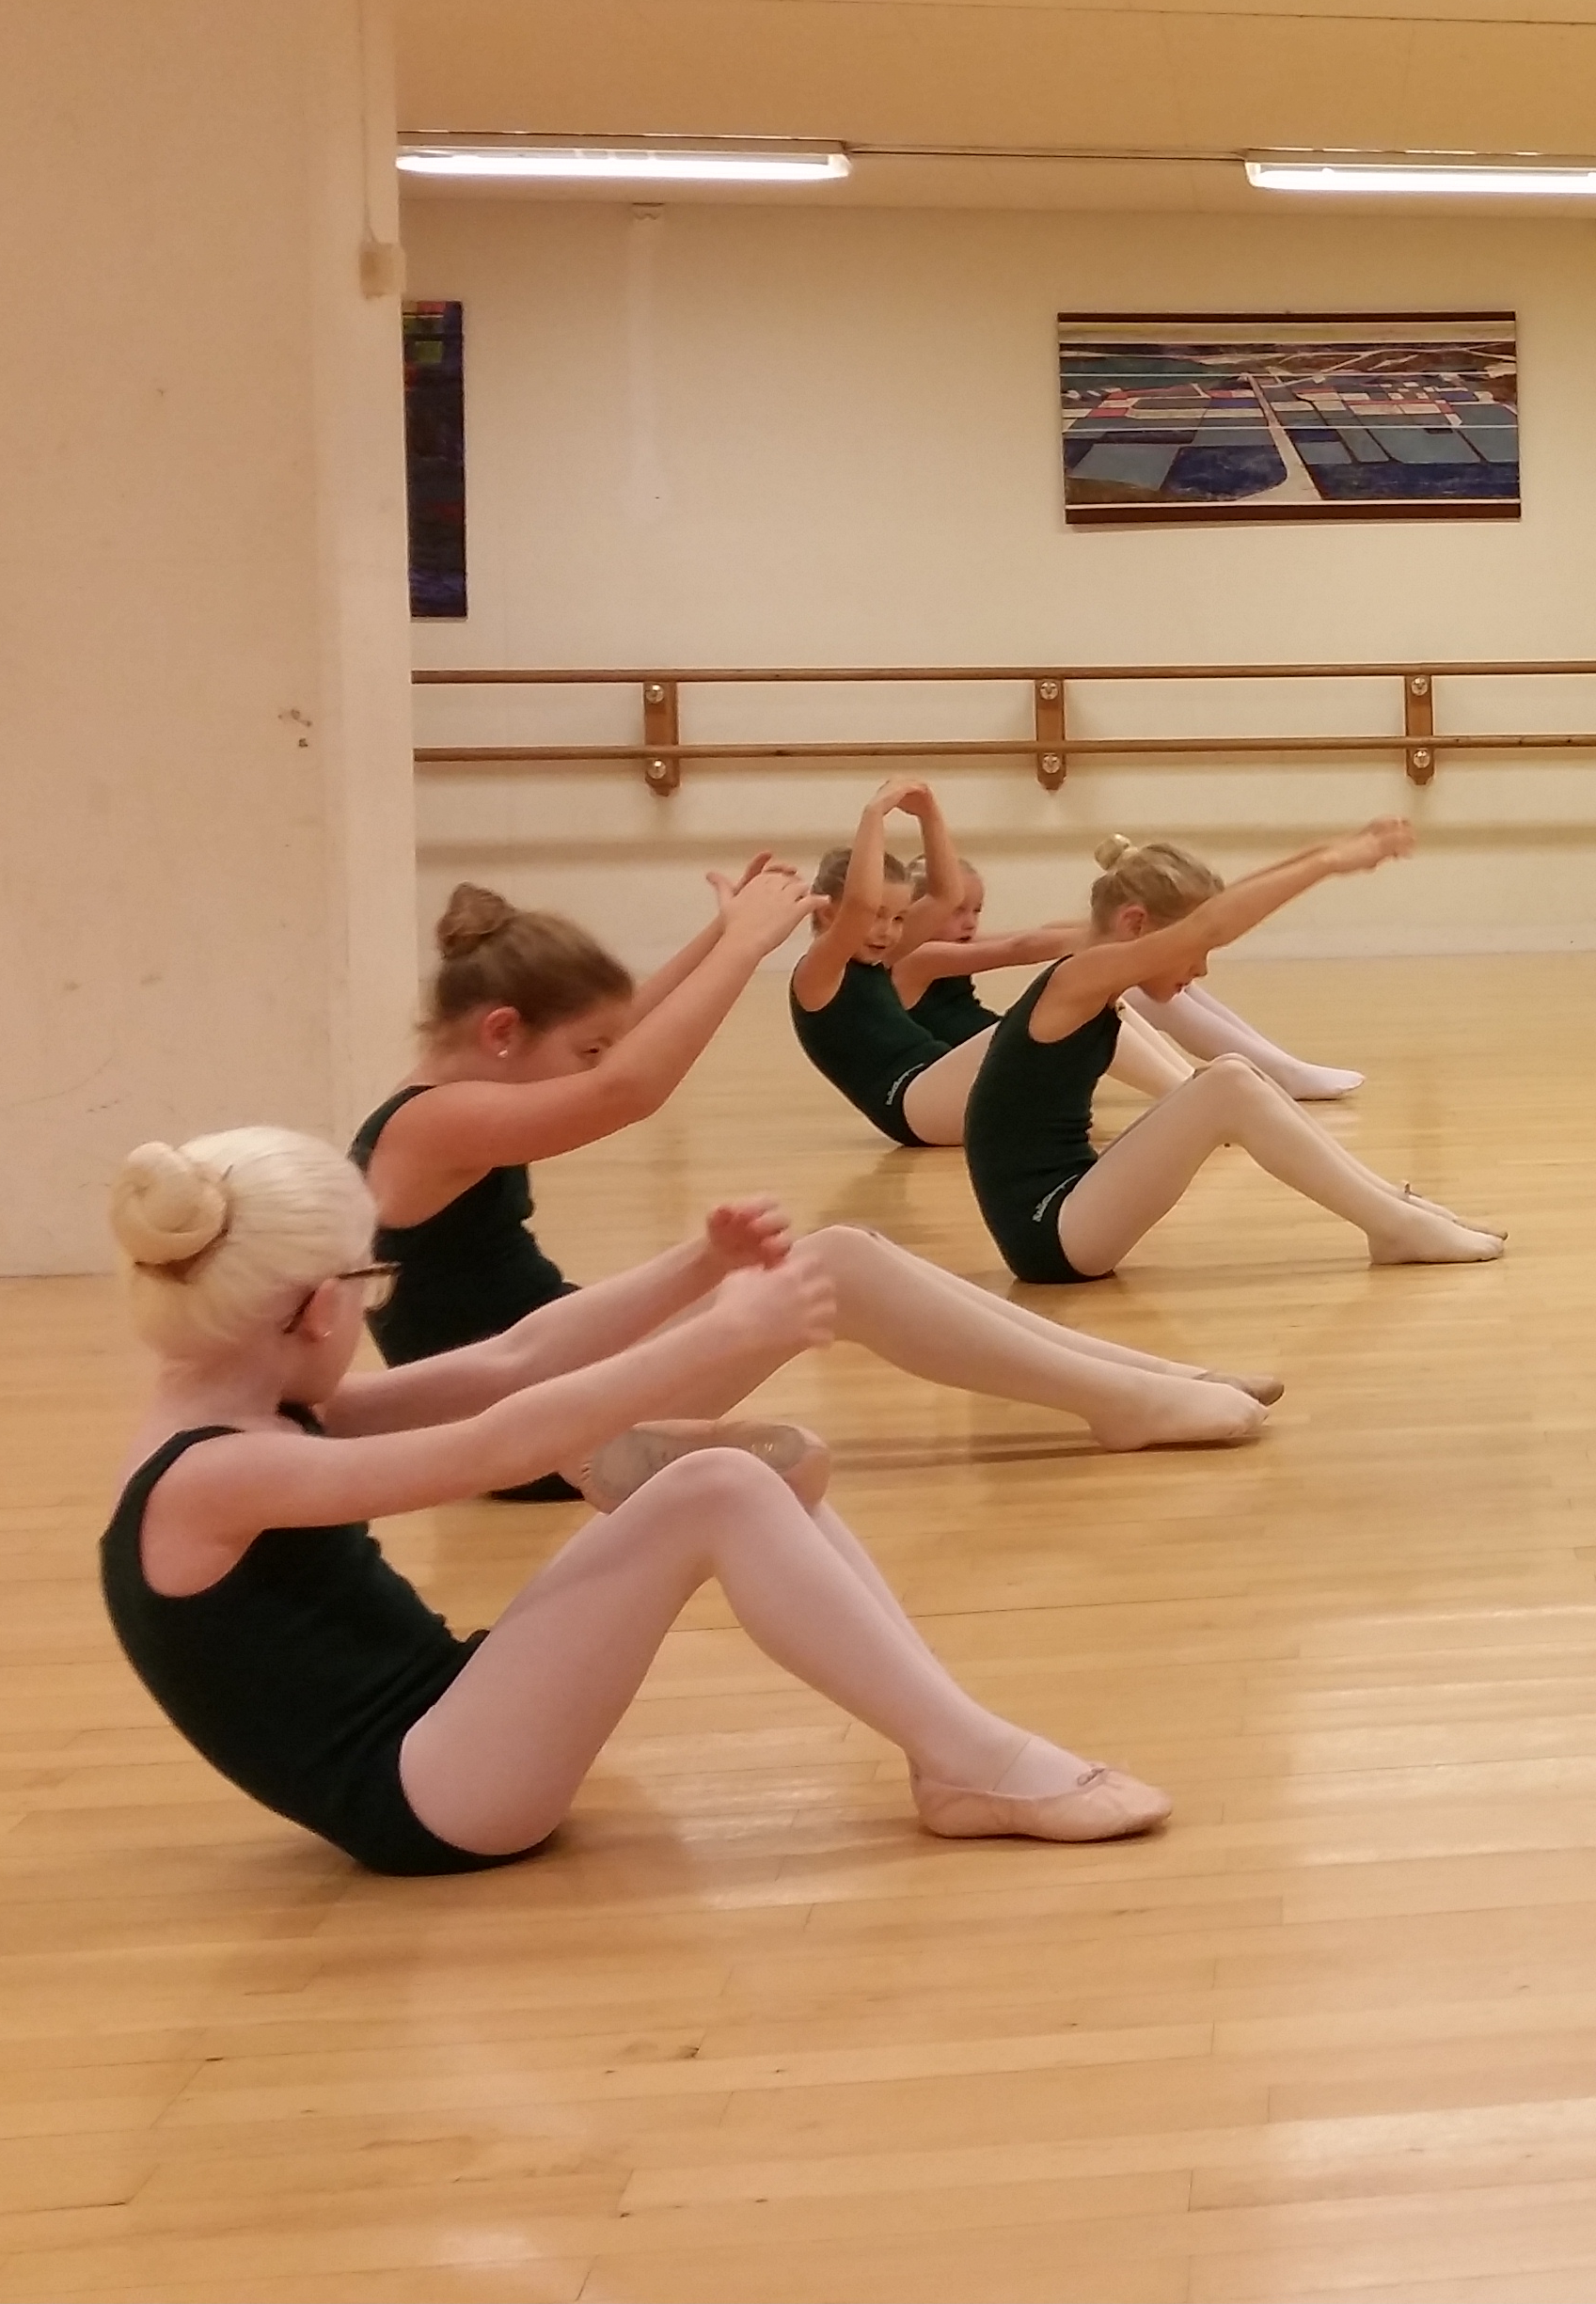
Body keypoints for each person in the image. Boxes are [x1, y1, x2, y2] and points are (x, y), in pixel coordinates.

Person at [99, 1128, 1168, 1871]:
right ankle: (970, 1762)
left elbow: (513, 1360)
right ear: (320, 1310)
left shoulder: (249, 1415)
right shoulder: (214, 1477)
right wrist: (720, 1339)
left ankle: (955, 1749)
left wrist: (698, 1266)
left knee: (748, 1482)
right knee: (719, 1485)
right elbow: (493, 1445)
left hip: (452, 1730)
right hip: (430, 1799)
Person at [360, 882, 1272, 1459]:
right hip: (540, 1431)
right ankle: (1125, 1402)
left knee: (847, 1252)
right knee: (834, 1266)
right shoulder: (433, 1124)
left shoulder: (436, 1099)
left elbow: (624, 1034)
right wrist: (744, 950)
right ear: (501, 1031)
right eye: (584, 1048)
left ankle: (1155, 1380)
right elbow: (627, 1089)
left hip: (566, 1380)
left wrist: (721, 932)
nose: (601, 1058)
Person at [959, 830, 1501, 1284]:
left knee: (1232, 1074)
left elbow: (1214, 915)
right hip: (1049, 1230)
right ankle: (1394, 1227)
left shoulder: (1089, 961)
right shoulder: (1080, 974)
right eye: (1194, 952)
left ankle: (1394, 1208)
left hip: (1071, 1209)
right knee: (1228, 1086)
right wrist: (1330, 863)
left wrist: (1329, 851)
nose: (1200, 968)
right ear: (1136, 925)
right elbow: (1211, 924)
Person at [786, 781, 1332, 1149]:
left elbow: (947, 893)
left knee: (1101, 998)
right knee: (1083, 991)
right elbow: (862, 906)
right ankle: (1194, 1097)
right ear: (828, 914)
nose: (886, 929)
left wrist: (930, 813)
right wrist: (874, 815)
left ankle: (1194, 1090)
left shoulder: (887, 957)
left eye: (897, 918)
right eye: (875, 918)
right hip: (916, 1107)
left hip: (948, 1092)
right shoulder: (819, 973)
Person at [886, 784, 1367, 1098]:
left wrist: (1142, 930)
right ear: (915, 911)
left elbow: (1039, 933)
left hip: (988, 1062)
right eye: (955, 911)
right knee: (1128, 987)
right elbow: (1022, 947)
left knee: (1147, 977)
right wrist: (1137, 938)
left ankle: (1275, 1066)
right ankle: (1201, 1089)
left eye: (976, 910)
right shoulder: (915, 961)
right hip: (955, 1080)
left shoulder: (950, 953)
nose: (969, 921)